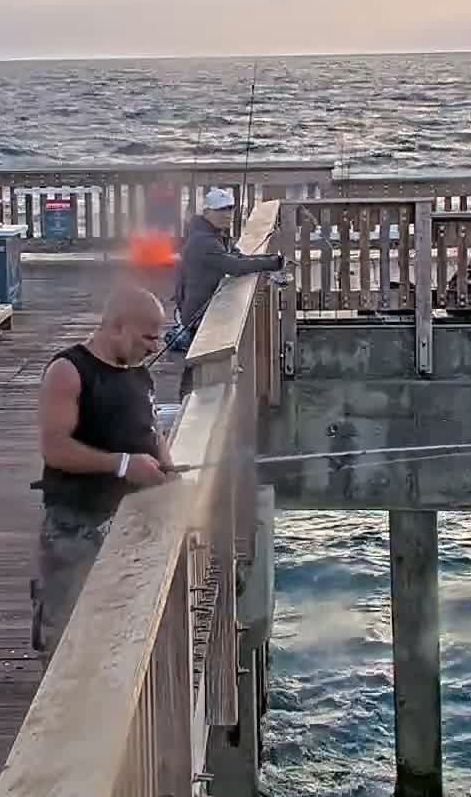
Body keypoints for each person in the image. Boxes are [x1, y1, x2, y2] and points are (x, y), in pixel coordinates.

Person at [31, 286, 175, 663]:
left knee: (117, 630)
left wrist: (166, 465)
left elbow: (151, 429)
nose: (153, 345)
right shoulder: (68, 371)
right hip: (75, 528)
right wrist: (124, 465)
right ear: (117, 327)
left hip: (126, 525)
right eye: (147, 336)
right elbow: (55, 448)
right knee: (69, 634)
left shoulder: (139, 374)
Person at [173, 187, 285, 395]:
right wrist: (273, 263)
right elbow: (234, 267)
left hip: (206, 308)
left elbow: (238, 258)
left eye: (230, 209)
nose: (227, 214)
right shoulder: (203, 241)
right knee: (197, 361)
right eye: (221, 210)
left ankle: (188, 397)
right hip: (198, 312)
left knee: (195, 361)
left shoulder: (214, 234)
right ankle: (188, 400)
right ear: (207, 213)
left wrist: (267, 261)